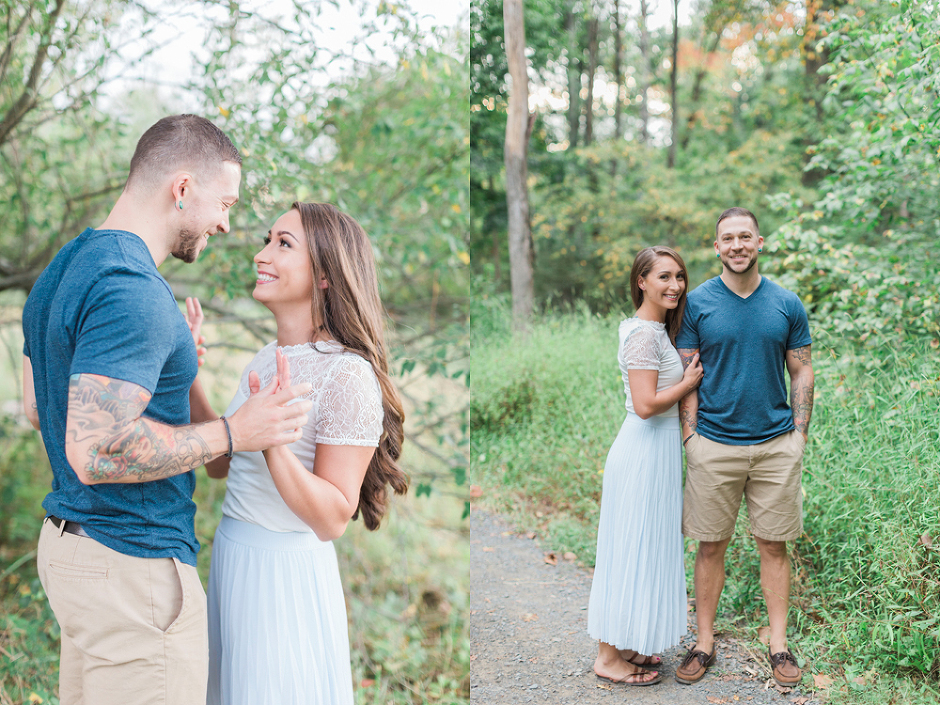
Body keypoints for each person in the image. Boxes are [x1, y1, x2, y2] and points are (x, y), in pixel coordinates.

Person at [21, 114, 314, 705]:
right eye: (224, 202)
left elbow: (38, 405)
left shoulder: (66, 266)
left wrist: (162, 371)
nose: (227, 223)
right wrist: (236, 431)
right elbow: (96, 449)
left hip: (72, 552)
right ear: (182, 189)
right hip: (131, 567)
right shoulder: (133, 288)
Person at [186, 202, 408, 704]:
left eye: (283, 244)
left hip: (282, 576)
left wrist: (274, 446)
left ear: (326, 274)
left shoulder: (346, 374)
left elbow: (332, 517)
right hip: (233, 557)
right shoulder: (267, 358)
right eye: (268, 239)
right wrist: (190, 374)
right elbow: (221, 461)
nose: (262, 254)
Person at [674, 207, 814, 688]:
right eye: (727, 238)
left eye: (744, 237)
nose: (736, 245)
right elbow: (686, 373)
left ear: (759, 242)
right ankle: (704, 643)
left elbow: (802, 369)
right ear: (716, 247)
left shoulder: (786, 303)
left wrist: (799, 433)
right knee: (711, 545)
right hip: (713, 443)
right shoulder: (695, 304)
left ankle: (778, 645)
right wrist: (690, 437)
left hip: (777, 445)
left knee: (773, 545)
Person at [587, 246, 704, 687]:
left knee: (645, 546)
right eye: (664, 277)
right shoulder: (642, 335)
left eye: (679, 277)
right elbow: (644, 405)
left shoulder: (655, 331)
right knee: (628, 547)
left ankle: (628, 643)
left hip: (658, 455)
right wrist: (688, 383)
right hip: (639, 452)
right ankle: (606, 657)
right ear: (641, 281)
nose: (675, 285)